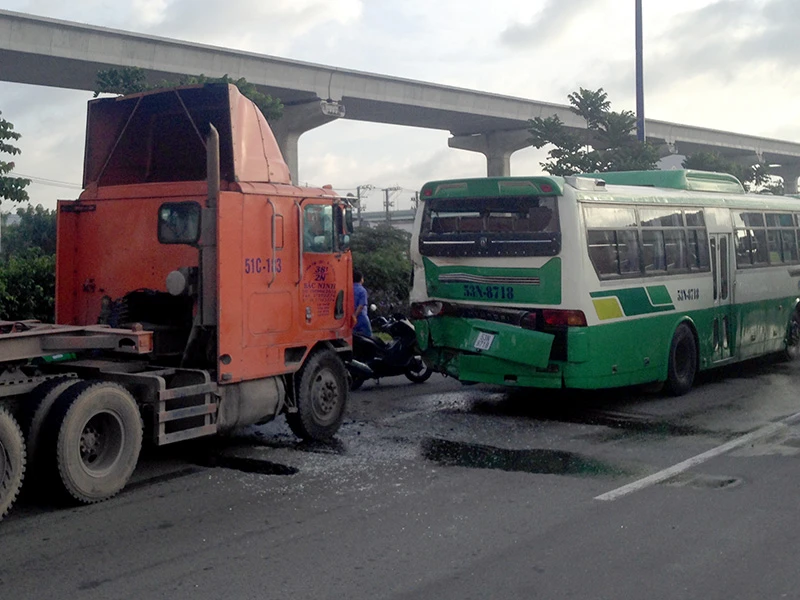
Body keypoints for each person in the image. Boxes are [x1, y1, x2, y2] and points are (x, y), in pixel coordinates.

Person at [352, 270, 372, 336]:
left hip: (349, 317)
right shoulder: (362, 290)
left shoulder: (349, 289)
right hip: (361, 317)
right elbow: (361, 306)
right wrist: (355, 316)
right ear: (361, 279)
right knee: (368, 336)